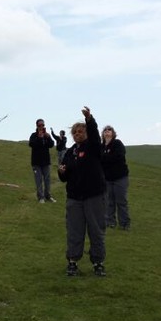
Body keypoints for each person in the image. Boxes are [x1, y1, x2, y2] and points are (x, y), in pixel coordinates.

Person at [58, 107, 107, 277]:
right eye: (75, 132)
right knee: (74, 231)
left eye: (81, 131)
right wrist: (62, 171)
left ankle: (98, 263)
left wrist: (89, 119)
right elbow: (63, 177)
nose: (78, 134)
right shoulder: (70, 152)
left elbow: (94, 134)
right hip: (74, 198)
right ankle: (72, 262)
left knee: (96, 230)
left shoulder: (94, 147)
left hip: (93, 196)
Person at [101, 125, 131, 230]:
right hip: (107, 178)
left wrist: (105, 158)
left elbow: (119, 156)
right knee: (109, 201)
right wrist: (106, 159)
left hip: (120, 177)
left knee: (121, 201)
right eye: (105, 130)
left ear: (113, 133)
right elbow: (100, 161)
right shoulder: (101, 147)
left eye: (109, 130)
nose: (107, 131)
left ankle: (124, 224)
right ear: (102, 134)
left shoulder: (117, 143)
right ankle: (110, 222)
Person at [29, 119, 56, 203]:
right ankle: (41, 197)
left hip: (46, 162)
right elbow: (31, 144)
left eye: (43, 125)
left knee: (47, 180)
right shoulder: (34, 135)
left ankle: (48, 196)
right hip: (36, 162)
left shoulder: (46, 135)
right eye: (39, 125)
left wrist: (49, 137)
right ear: (37, 126)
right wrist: (39, 138)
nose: (41, 127)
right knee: (38, 180)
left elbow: (51, 145)